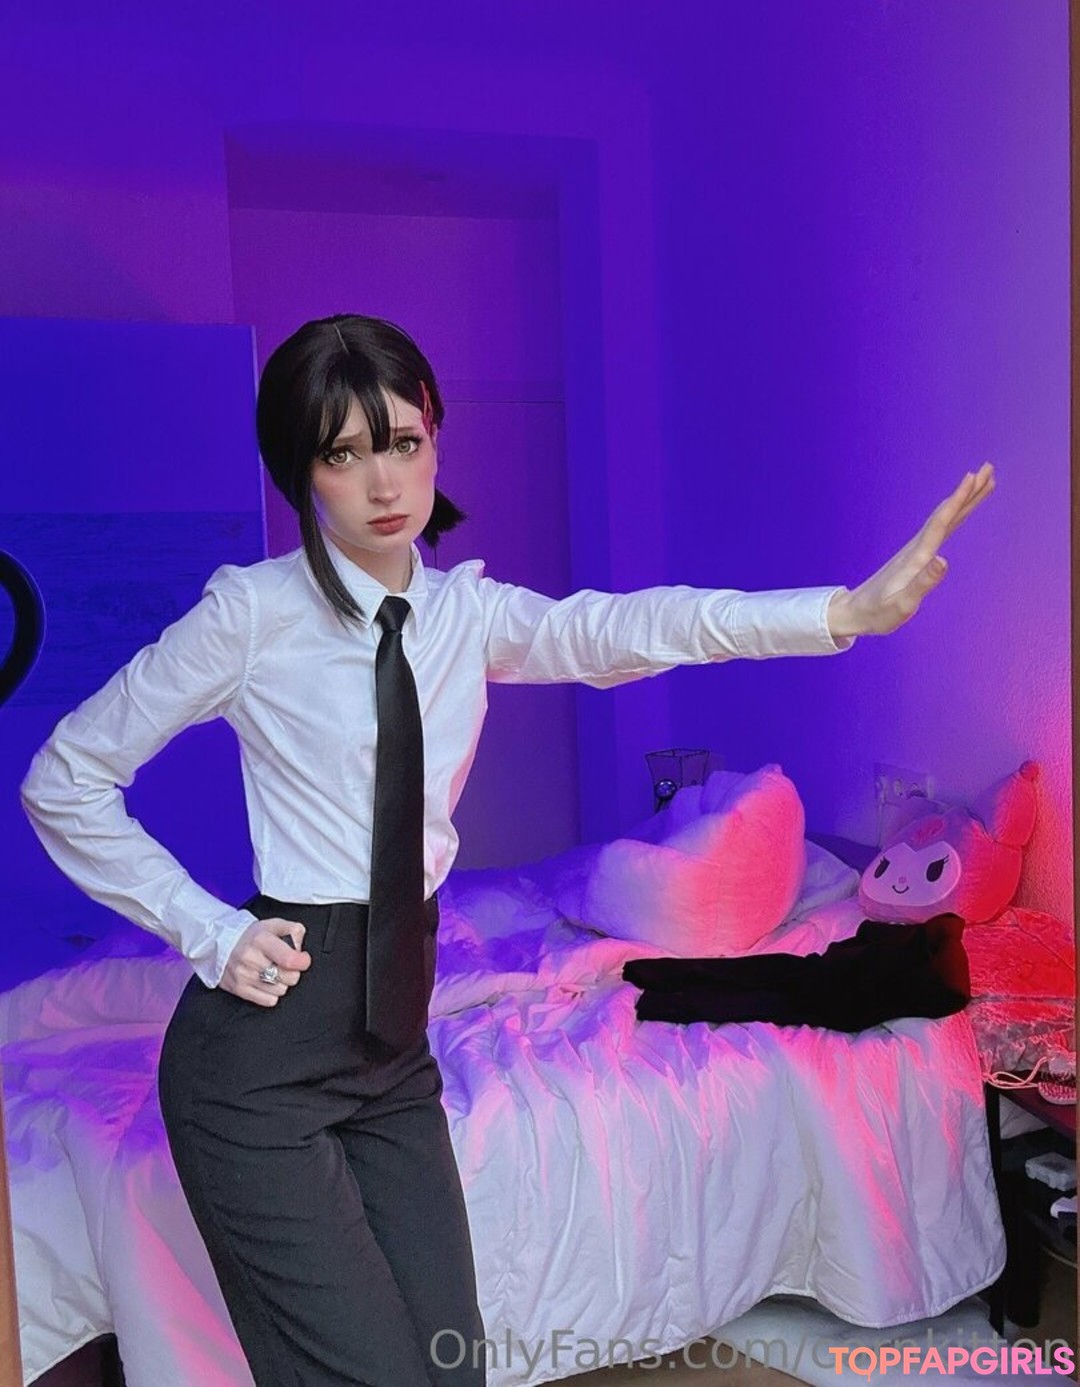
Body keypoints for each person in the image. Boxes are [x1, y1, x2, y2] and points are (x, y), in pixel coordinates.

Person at [18, 311, 995, 1386]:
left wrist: (842, 612)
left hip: (393, 1051)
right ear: (301, 473)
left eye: (404, 441)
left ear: (435, 439)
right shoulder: (249, 615)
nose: (384, 481)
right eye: (343, 453)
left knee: (453, 1365)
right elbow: (64, 778)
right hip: (257, 1072)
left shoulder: (465, 615)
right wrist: (207, 929)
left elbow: (637, 627)